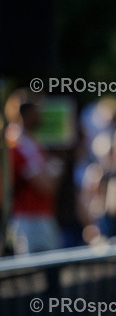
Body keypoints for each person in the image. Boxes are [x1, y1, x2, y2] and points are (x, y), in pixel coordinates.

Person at [7, 101, 63, 254]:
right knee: (30, 270)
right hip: (27, 218)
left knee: (51, 268)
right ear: (25, 115)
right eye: (35, 113)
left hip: (44, 214)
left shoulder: (34, 143)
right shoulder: (16, 144)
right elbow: (47, 186)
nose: (40, 116)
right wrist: (55, 170)